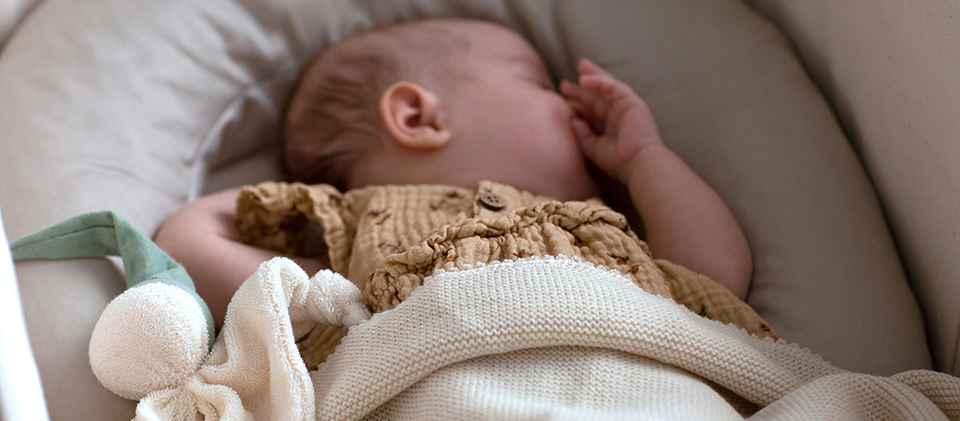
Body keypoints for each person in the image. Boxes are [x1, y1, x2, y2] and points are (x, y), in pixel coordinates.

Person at [156, 18, 758, 340]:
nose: (572, 108)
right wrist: (330, 218)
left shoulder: (598, 233)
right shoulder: (357, 262)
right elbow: (188, 247)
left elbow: (715, 276)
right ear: (417, 118)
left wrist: (644, 157)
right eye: (539, 84)